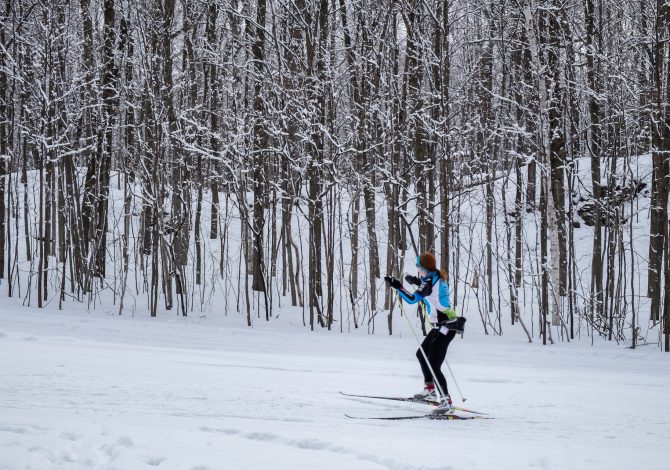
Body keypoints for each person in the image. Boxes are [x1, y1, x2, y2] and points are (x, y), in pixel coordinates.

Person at [384, 252, 459, 415]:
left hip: (446, 327)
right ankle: (430, 391)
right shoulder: (433, 277)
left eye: (418, 266)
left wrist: (398, 286)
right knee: (421, 354)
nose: (417, 268)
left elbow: (412, 299)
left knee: (433, 365)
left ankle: (446, 401)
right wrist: (417, 282)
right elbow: (430, 294)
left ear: (424, 267)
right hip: (441, 326)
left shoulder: (429, 281)